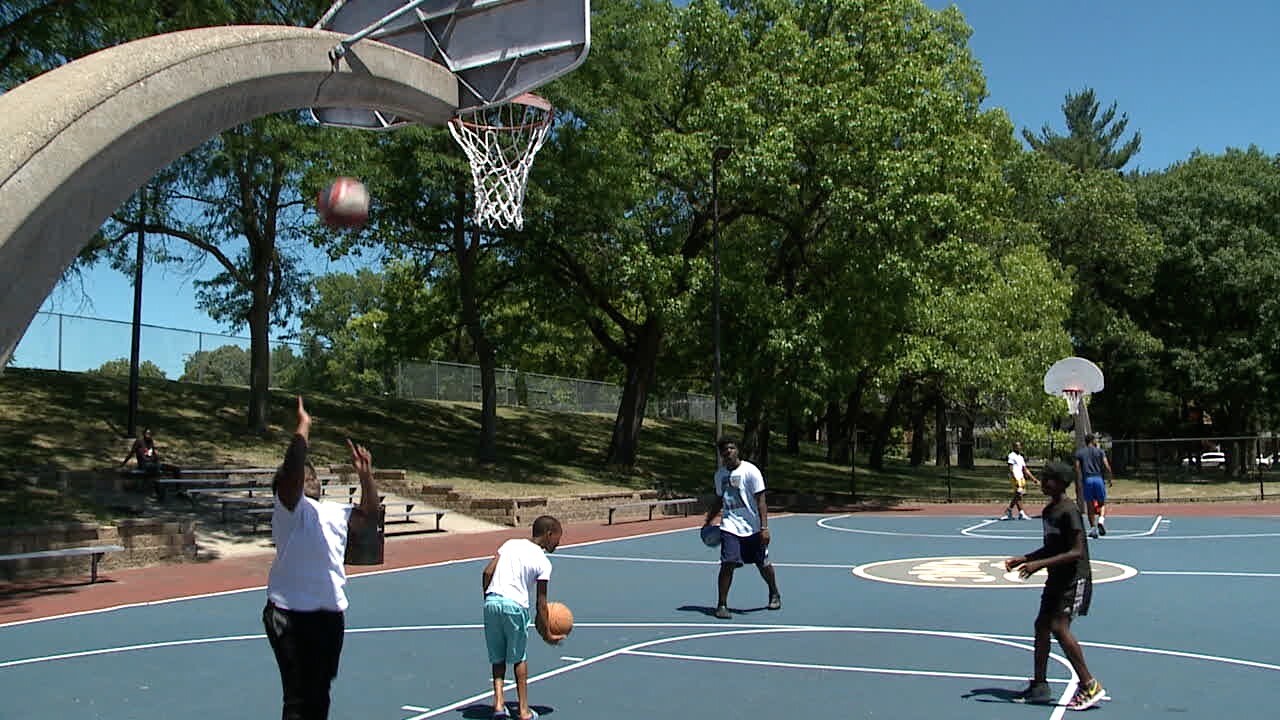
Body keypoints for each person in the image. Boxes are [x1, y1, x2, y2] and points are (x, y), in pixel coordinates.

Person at [262, 396, 380, 720]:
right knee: (299, 698)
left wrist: (366, 476)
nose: (310, 476)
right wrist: (304, 426)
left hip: (329, 615)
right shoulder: (289, 510)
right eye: (304, 474)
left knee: (320, 696)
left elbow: (369, 515)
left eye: (313, 474)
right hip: (289, 614)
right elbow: (294, 467)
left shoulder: (333, 511)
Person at [1004, 461, 1106, 711]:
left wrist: (1038, 565)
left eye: (1047, 478)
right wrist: (1027, 558)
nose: (1043, 482)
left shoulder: (1069, 511)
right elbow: (1052, 547)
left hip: (1074, 578)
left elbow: (1076, 551)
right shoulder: (1049, 511)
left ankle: (1090, 684)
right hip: (1056, 577)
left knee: (1059, 628)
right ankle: (1040, 684)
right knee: (1041, 626)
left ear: (1060, 483)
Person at [482, 515, 566, 720]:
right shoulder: (543, 562)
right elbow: (541, 603)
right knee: (519, 658)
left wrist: (490, 597)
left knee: (498, 656)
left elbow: (487, 572)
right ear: (548, 534)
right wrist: (547, 633)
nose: (559, 542)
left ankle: (499, 705)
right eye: (558, 537)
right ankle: (523, 710)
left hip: (492, 602)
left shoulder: (511, 544)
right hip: (515, 606)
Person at [703, 436, 781, 620]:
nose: (728, 451)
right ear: (721, 454)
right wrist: (709, 521)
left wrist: (764, 527)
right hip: (730, 526)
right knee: (727, 563)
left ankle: (774, 592)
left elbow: (761, 501)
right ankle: (722, 604)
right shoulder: (720, 475)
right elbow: (719, 500)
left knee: (763, 564)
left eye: (731, 448)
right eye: (724, 449)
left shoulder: (751, 471)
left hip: (752, 528)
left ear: (737, 450)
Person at [1073, 434, 1114, 538]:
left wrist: (1078, 482)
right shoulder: (1100, 451)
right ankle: (1101, 521)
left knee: (1090, 505)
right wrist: (1109, 477)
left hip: (1087, 480)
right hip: (1098, 478)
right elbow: (1107, 465)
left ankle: (1093, 528)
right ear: (1093, 441)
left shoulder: (1080, 452)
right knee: (1102, 503)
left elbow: (1077, 468)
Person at [1001, 441, 1035, 521]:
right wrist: (1015, 479)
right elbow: (1011, 469)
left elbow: (1025, 469)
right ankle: (1010, 511)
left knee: (1019, 496)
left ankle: (1019, 513)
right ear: (1014, 447)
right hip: (1015, 478)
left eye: (1020, 446)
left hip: (1021, 478)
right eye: (1017, 446)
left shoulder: (1021, 457)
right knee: (1018, 494)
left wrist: (1033, 478)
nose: (1019, 447)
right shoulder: (1011, 456)